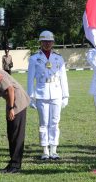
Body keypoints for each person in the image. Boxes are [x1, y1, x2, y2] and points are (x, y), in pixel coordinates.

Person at [27, 30, 69, 160]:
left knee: (55, 122)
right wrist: (30, 97)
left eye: (49, 41)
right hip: (41, 93)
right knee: (44, 122)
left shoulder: (58, 58)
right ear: (40, 42)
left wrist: (65, 95)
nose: (47, 44)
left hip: (56, 92)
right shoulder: (34, 58)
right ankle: (45, 150)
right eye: (44, 41)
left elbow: (63, 78)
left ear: (53, 43)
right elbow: (30, 79)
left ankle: (54, 150)